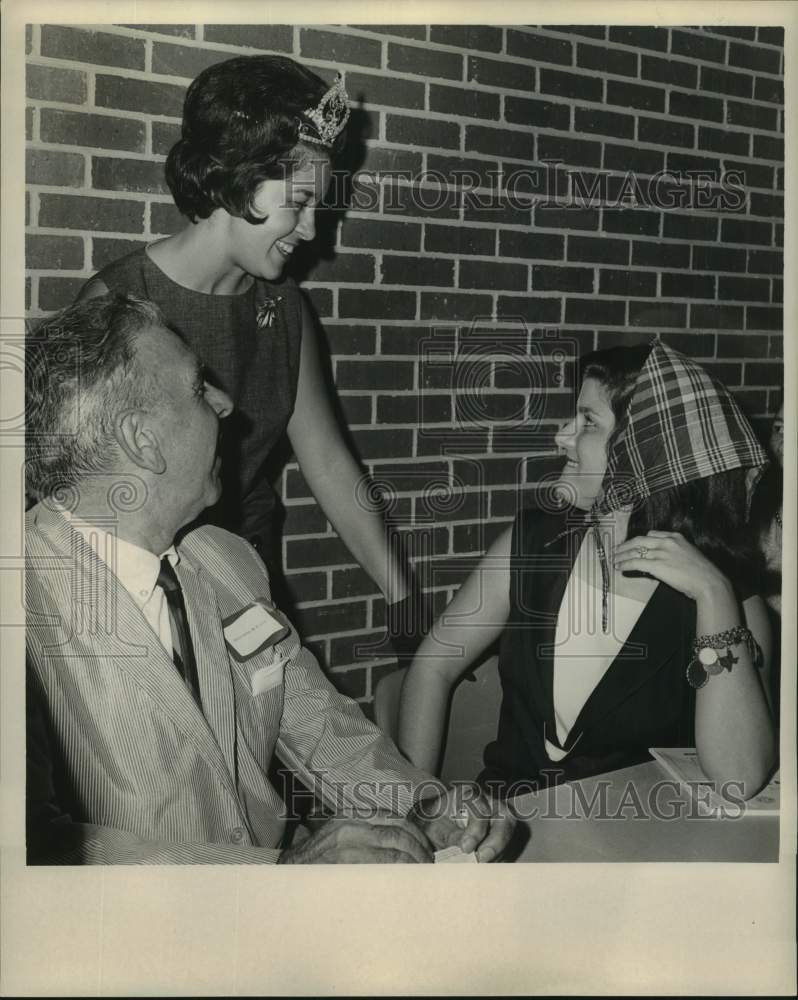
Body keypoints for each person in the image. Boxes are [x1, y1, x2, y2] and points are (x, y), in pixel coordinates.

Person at [25, 293, 514, 864]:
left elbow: (313, 719)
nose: (226, 404)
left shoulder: (225, 559)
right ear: (142, 440)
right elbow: (42, 848)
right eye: (197, 389)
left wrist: (419, 805)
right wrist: (280, 875)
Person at [76, 54, 427, 658]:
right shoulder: (117, 303)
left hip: (248, 579)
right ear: (237, 179)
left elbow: (329, 464)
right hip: (142, 600)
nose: (311, 231)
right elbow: (81, 503)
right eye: (298, 201)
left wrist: (405, 604)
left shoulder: (285, 307)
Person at [398, 339, 777, 800]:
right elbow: (432, 666)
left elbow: (740, 776)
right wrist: (415, 803)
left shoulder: (728, 599)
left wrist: (714, 594)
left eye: (588, 423)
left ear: (646, 451)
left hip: (636, 835)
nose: (562, 437)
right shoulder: (531, 542)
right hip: (506, 822)